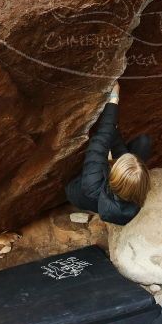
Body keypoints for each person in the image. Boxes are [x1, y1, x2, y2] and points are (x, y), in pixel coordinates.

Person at [65, 83, 153, 225]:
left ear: (112, 176)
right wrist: (114, 131)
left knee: (73, 189)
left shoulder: (93, 184)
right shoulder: (138, 193)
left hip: (85, 193)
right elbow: (117, 149)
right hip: (113, 196)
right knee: (144, 142)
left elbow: (99, 142)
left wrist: (113, 99)